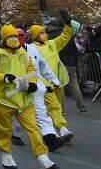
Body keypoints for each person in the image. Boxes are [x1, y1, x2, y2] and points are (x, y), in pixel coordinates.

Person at [0, 24, 59, 169]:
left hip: (24, 98)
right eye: (10, 37)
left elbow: (31, 69)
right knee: (4, 129)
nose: (14, 39)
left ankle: (43, 159)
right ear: (4, 38)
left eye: (15, 36)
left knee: (33, 128)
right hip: (3, 99)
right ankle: (6, 154)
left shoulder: (23, 52)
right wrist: (3, 77)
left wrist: (33, 84)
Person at [30, 11, 78, 140]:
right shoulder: (30, 48)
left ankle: (58, 129)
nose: (44, 34)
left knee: (58, 107)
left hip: (56, 81)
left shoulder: (52, 44)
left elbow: (65, 37)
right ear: (35, 35)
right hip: (42, 84)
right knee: (51, 106)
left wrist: (68, 24)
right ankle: (58, 130)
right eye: (41, 33)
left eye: (44, 32)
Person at [18, 28, 65, 151]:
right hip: (19, 88)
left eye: (21, 35)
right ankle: (16, 134)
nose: (18, 38)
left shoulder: (33, 49)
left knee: (41, 113)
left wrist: (54, 81)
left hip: (36, 87)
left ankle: (51, 139)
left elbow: (44, 66)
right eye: (15, 36)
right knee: (20, 114)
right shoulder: (5, 52)